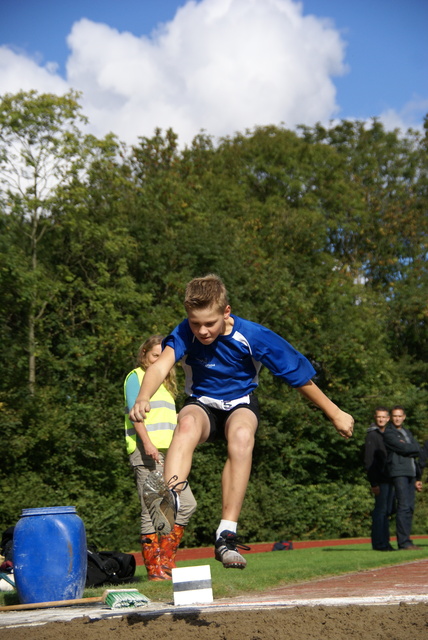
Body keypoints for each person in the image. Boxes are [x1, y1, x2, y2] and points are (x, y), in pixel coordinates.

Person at [129, 274, 354, 570]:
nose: (203, 331)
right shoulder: (185, 332)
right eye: (195, 323)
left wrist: (335, 412)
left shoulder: (253, 335)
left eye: (210, 323)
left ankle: (226, 535)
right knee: (185, 425)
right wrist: (143, 396)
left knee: (242, 435)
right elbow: (160, 366)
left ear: (226, 312)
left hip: (240, 403)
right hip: (202, 404)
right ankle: (169, 508)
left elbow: (296, 375)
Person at [124, 335, 197, 581]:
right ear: (144, 354)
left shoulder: (165, 385)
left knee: (186, 504)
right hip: (148, 452)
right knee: (151, 509)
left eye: (163, 357)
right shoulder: (137, 377)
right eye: (155, 355)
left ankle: (166, 561)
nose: (159, 361)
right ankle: (155, 570)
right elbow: (135, 414)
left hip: (171, 454)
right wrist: (147, 444)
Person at [383, 405, 422, 551]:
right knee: (403, 506)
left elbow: (417, 448)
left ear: (404, 417)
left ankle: (408, 540)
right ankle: (403, 542)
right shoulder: (389, 433)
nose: (397, 418)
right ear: (391, 418)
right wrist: (410, 448)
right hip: (399, 471)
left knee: (410, 507)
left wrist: (418, 476)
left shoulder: (406, 432)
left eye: (400, 416)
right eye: (395, 416)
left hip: (411, 472)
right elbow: (406, 449)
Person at [364, 407, 395, 551]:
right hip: (379, 480)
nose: (381, 419)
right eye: (379, 417)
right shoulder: (372, 435)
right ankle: (379, 543)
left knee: (387, 511)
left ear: (388, 418)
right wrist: (373, 483)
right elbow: (369, 460)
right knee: (380, 511)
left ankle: (385, 542)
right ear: (375, 418)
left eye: (384, 417)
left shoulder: (389, 435)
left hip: (389, 479)